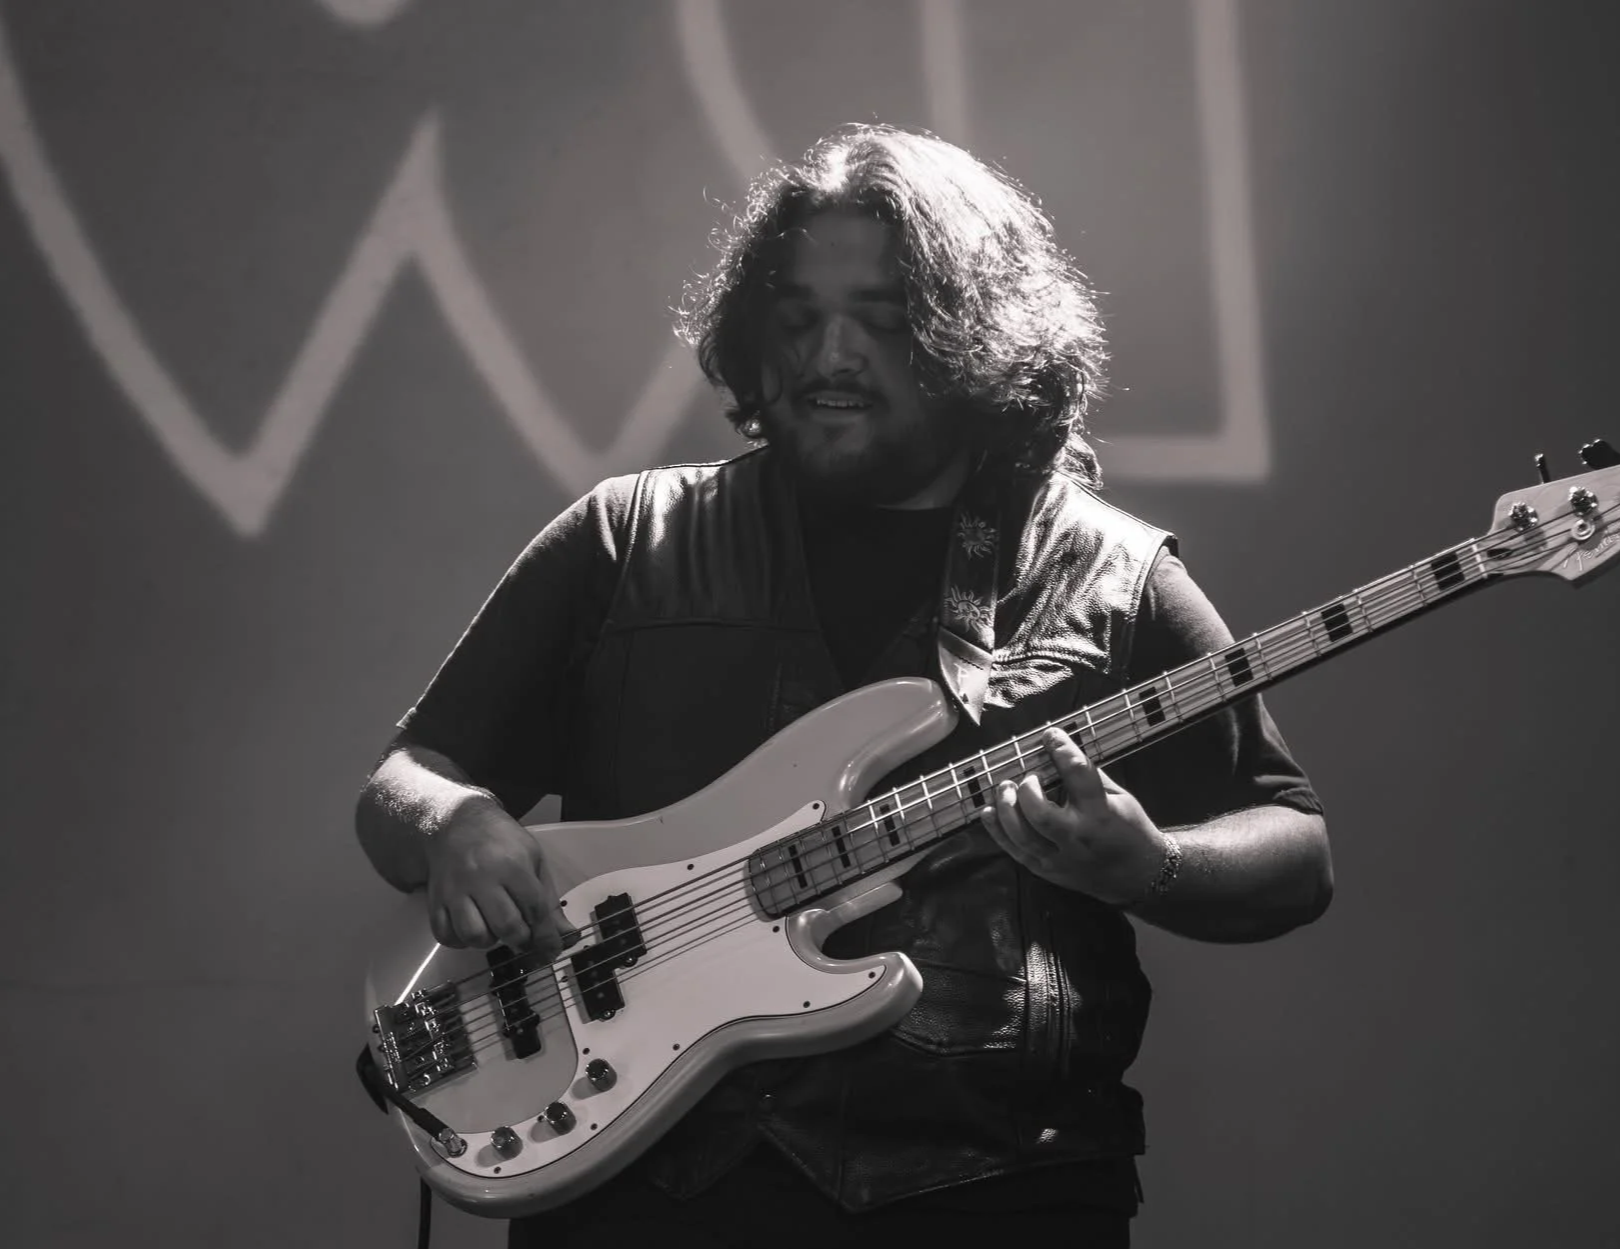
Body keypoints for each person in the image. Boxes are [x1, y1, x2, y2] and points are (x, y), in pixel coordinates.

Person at [355, 124, 1332, 1249]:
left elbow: (1293, 844)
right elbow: (401, 785)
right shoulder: (626, 540)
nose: (827, 356)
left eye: (879, 319)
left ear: (978, 337)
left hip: (994, 1190)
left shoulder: (1104, 576)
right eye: (796, 315)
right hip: (637, 1191)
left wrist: (1148, 864)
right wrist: (457, 823)